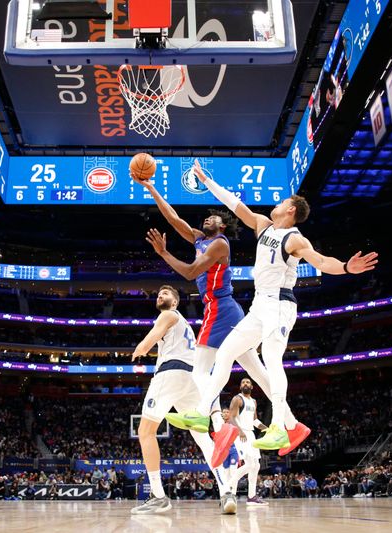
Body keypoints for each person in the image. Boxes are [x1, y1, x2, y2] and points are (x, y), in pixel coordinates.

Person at [164, 159, 377, 458]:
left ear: (291, 210)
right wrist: (205, 180)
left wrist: (344, 267)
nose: (276, 202)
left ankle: (279, 426)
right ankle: (202, 412)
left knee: (273, 359)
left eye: (282, 201)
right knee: (225, 353)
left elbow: (320, 261)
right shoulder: (263, 225)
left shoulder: (294, 238)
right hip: (259, 305)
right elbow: (235, 204)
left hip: (280, 304)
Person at [135, 173, 311, 462]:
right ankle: (292, 425)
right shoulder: (200, 239)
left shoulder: (220, 244)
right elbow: (173, 218)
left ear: (223, 225)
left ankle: (217, 424)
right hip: (224, 310)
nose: (207, 221)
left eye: (212, 220)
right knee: (256, 371)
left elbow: (191, 272)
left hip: (221, 308)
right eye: (204, 220)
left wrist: (165, 253)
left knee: (201, 370)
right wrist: (152, 188)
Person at [129, 286, 236, 515]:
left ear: (175, 303)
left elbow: (151, 339)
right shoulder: (184, 323)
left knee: (145, 431)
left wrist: (141, 348)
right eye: (158, 293)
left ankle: (158, 496)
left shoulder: (167, 315)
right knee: (202, 438)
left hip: (171, 373)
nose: (160, 295)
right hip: (192, 379)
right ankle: (226, 490)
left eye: (166, 294)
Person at [224, 378, 269, 506]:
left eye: (248, 382)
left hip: (250, 433)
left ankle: (252, 496)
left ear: (252, 386)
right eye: (243, 382)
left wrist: (267, 428)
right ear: (240, 386)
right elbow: (231, 417)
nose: (245, 384)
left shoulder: (253, 401)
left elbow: (255, 421)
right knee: (250, 465)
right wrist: (239, 431)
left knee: (256, 465)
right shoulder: (237, 399)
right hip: (241, 433)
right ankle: (227, 488)